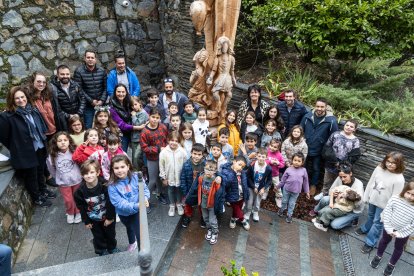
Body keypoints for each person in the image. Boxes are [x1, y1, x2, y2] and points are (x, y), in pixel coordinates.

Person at [0, 86, 55, 207]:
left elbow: (39, 127)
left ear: (26, 97)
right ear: (12, 100)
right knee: (32, 175)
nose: (21, 100)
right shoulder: (7, 116)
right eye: (17, 98)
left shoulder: (32, 110)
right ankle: (37, 197)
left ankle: (43, 189)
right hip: (25, 151)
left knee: (41, 170)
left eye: (22, 97)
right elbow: (3, 136)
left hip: (39, 145)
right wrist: (15, 146)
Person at [355, 152, 406, 254]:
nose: (390, 164)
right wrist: (366, 195)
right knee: (370, 215)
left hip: (384, 206)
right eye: (388, 161)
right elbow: (371, 182)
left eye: (393, 163)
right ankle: (366, 228)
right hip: (373, 199)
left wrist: (387, 212)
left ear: (399, 164)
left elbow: (396, 198)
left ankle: (370, 242)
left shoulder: (399, 179)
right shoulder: (379, 168)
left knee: (377, 223)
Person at [74, 160, 119, 256]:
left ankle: (112, 247)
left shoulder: (105, 186)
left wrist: (110, 218)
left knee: (110, 233)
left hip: (107, 216)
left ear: (98, 172)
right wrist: (86, 221)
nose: (89, 175)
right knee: (98, 235)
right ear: (82, 175)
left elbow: (111, 203)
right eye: (85, 173)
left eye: (92, 172)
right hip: (93, 218)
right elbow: (81, 207)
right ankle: (101, 250)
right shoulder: (79, 192)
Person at [369, 182, 414, 276]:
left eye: (413, 195)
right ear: (404, 190)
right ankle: (378, 255)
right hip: (389, 226)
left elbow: (412, 224)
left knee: (398, 247)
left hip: (403, 231)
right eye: (408, 193)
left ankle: (391, 264)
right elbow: (387, 212)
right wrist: (389, 229)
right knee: (384, 241)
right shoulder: (395, 198)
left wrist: (399, 233)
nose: (409, 196)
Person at [108, 155, 150, 251]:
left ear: (128, 166)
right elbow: (119, 203)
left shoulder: (136, 177)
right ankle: (132, 241)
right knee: (129, 227)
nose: (120, 170)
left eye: (122, 167)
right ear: (112, 169)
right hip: (124, 214)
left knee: (140, 235)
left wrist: (145, 198)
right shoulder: (112, 185)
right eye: (116, 168)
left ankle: (143, 254)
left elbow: (144, 190)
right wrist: (136, 205)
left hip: (137, 212)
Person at [301, 97, 338, 195]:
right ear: (315, 106)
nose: (319, 109)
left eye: (322, 107)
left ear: (326, 107)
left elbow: (334, 136)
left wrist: (326, 147)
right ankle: (301, 183)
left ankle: (313, 185)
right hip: (304, 147)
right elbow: (300, 130)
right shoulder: (307, 116)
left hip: (319, 149)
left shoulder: (331, 120)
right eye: (318, 106)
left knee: (316, 168)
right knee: (302, 166)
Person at [310, 162, 364, 230]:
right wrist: (334, 194)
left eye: (345, 177)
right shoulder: (339, 178)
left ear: (350, 174)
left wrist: (348, 197)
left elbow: (359, 204)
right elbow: (331, 190)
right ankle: (316, 211)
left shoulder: (358, 184)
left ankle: (352, 220)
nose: (342, 179)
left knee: (334, 225)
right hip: (340, 203)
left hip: (352, 209)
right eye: (341, 177)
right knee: (325, 199)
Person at [317, 119, 360, 200]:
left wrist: (341, 164)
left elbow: (355, 156)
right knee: (327, 180)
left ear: (354, 129)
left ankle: (333, 198)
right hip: (331, 163)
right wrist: (334, 161)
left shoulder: (355, 141)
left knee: (339, 182)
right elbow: (327, 147)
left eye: (351, 126)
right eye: (347, 125)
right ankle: (324, 193)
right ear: (344, 125)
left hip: (343, 167)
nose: (348, 127)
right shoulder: (335, 134)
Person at [46, 131, 82, 224]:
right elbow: (52, 169)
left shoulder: (74, 151)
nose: (63, 142)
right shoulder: (53, 156)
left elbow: (80, 163)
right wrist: (58, 177)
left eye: (65, 140)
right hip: (63, 183)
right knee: (68, 200)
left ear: (69, 141)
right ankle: (70, 212)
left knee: (77, 197)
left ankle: (78, 211)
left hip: (77, 180)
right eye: (60, 141)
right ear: (55, 143)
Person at [189, 160, 223, 245]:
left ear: (215, 171)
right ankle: (209, 230)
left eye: (211, 170)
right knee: (206, 218)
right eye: (207, 169)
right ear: (204, 169)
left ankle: (215, 232)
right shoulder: (201, 177)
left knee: (212, 220)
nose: (209, 171)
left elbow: (220, 193)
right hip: (203, 203)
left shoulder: (216, 180)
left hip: (212, 204)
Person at [140, 107, 168, 205]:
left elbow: (167, 140)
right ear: (149, 116)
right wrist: (158, 149)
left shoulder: (163, 127)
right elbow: (144, 148)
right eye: (153, 117)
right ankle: (144, 201)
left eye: (157, 117)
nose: (155, 119)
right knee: (152, 181)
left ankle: (160, 194)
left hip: (163, 158)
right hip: (152, 159)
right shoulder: (145, 132)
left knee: (160, 178)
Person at [74, 50, 107, 129]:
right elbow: (79, 89)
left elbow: (106, 87)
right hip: (87, 105)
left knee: (103, 126)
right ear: (84, 59)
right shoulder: (79, 71)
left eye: (92, 57)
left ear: (95, 59)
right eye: (88, 57)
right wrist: (91, 101)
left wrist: (102, 100)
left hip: (101, 104)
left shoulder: (102, 71)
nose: (90, 59)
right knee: (88, 127)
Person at [206, 36, 237, 120]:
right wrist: (210, 77)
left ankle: (224, 107)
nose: (225, 48)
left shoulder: (232, 58)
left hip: (227, 78)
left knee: (229, 94)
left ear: (228, 47)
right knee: (214, 92)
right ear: (220, 47)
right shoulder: (218, 58)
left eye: (226, 47)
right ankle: (218, 103)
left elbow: (232, 70)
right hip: (220, 77)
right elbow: (214, 70)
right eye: (223, 46)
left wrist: (233, 78)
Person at [50, 64, 86, 131]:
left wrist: (79, 113)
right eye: (62, 74)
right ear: (57, 75)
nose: (65, 76)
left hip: (78, 117)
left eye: (67, 74)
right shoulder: (53, 88)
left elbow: (83, 99)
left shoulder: (75, 85)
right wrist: (69, 116)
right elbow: (56, 107)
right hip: (64, 121)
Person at [159, 132, 188, 216]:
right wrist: (163, 177)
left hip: (179, 176)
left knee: (179, 190)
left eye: (176, 141)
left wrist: (185, 175)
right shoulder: (164, 152)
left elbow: (186, 163)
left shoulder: (182, 151)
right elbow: (161, 166)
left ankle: (178, 204)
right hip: (169, 176)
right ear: (168, 140)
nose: (174, 143)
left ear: (179, 142)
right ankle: (172, 205)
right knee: (170, 190)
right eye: (172, 140)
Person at [276, 152, 310, 223]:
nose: (296, 162)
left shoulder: (303, 170)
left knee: (292, 203)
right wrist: (277, 187)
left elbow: (306, 182)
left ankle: (289, 215)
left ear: (302, 162)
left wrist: (307, 191)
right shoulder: (288, 169)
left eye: (299, 161)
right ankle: (281, 210)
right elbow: (283, 180)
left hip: (296, 191)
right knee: (284, 201)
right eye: (295, 160)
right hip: (287, 189)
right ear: (292, 160)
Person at [180, 143, 206, 228]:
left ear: (202, 155)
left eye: (199, 154)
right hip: (189, 188)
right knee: (188, 204)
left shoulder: (205, 165)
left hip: (200, 189)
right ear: (191, 153)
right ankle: (188, 216)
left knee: (201, 204)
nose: (196, 156)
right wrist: (184, 191)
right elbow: (183, 178)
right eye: (195, 154)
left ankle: (203, 217)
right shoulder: (186, 164)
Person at [221, 156, 250, 230]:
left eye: (243, 166)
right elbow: (226, 183)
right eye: (239, 164)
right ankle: (242, 219)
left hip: (241, 195)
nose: (241, 168)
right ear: (234, 161)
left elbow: (244, 183)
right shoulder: (225, 171)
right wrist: (233, 172)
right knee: (236, 208)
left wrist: (246, 193)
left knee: (237, 209)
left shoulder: (242, 172)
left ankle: (233, 219)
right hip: (232, 196)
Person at [245, 148, 272, 222]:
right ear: (256, 156)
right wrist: (253, 187)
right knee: (249, 201)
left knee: (257, 202)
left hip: (260, 188)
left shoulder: (268, 168)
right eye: (259, 156)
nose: (261, 158)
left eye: (263, 157)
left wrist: (264, 188)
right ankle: (248, 212)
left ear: (266, 157)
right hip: (251, 187)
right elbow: (248, 177)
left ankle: (255, 212)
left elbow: (269, 180)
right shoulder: (252, 165)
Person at [110, 84, 138, 152]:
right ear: (115, 92)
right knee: (122, 153)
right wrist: (138, 127)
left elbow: (140, 109)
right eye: (118, 92)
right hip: (121, 133)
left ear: (126, 92)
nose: (121, 94)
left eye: (123, 92)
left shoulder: (130, 102)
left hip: (133, 132)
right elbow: (121, 124)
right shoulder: (111, 107)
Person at [130, 96, 148, 170]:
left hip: (140, 138)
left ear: (139, 103)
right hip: (134, 138)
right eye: (132, 105)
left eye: (135, 104)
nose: (134, 107)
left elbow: (137, 124)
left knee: (137, 157)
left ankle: (139, 171)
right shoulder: (134, 112)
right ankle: (136, 171)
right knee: (134, 157)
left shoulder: (143, 113)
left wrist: (134, 116)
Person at [266, 139, 285, 208]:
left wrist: (278, 163)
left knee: (277, 186)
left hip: (275, 174)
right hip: (266, 173)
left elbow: (283, 164)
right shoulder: (267, 151)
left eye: (275, 147)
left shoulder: (279, 155)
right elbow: (264, 160)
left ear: (278, 148)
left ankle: (279, 197)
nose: (272, 148)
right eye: (271, 146)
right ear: (269, 145)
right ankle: (264, 193)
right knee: (266, 184)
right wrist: (270, 162)